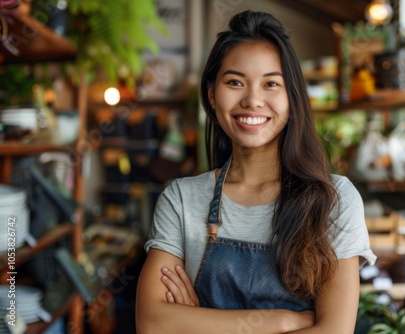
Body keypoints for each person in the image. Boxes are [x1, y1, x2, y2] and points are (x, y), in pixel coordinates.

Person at [136, 9, 376, 333]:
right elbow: (152, 324)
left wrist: (198, 323)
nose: (252, 100)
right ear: (211, 94)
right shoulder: (181, 199)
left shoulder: (334, 199)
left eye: (271, 84)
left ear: (291, 97)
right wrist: (281, 321)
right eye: (235, 82)